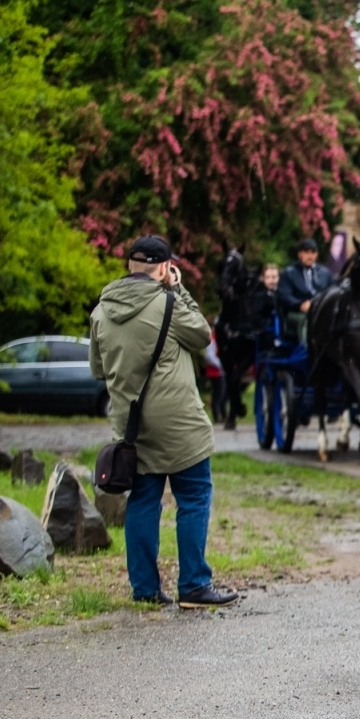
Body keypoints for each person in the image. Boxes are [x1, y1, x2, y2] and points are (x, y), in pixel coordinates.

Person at [88, 235, 238, 609]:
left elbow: (97, 370)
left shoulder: (101, 311)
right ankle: (193, 586)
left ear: (130, 266)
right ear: (162, 268)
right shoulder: (168, 303)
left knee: (142, 502)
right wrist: (180, 289)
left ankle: (145, 590)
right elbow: (203, 335)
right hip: (179, 424)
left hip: (131, 429)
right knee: (193, 497)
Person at [277, 238, 328, 341]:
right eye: (306, 252)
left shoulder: (325, 273)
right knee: (306, 320)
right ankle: (307, 352)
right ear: (300, 254)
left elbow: (333, 289)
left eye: (313, 252)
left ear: (316, 254)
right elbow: (284, 296)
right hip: (296, 313)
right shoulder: (289, 273)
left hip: (321, 311)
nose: (310, 256)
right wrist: (300, 305)